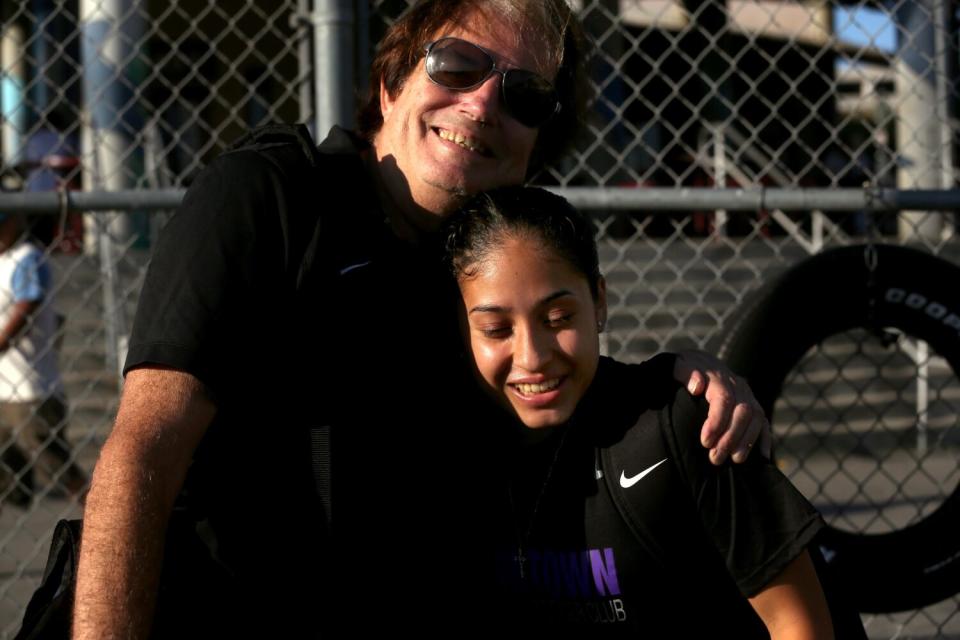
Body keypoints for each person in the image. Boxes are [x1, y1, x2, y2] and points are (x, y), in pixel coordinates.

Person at [73, 1, 770, 636]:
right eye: (458, 65)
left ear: (535, 151)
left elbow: (545, 384)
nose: (483, 103)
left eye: (523, 95)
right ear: (392, 81)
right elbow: (143, 451)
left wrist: (672, 383)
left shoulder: (480, 270)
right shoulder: (273, 198)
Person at [443, 185, 834, 637]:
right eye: (495, 329)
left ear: (600, 303)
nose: (532, 357)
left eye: (558, 319)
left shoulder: (687, 426)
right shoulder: (454, 450)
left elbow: (799, 624)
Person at [0, 212, 85, 510]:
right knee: (8, 469)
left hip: (31, 390)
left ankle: (99, 512)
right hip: (4, 387)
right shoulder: (3, 261)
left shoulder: (27, 258)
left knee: (56, 465)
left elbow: (28, 304)